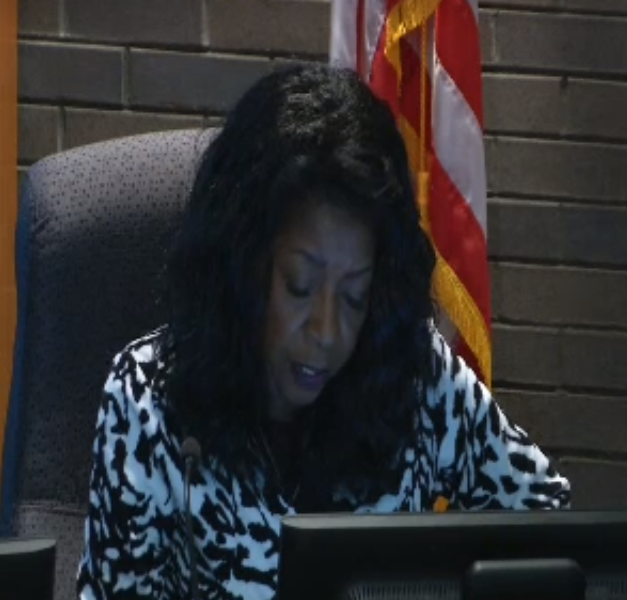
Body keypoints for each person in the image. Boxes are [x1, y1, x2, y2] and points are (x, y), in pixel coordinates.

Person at [76, 64, 570, 600]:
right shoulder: (147, 399)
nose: (328, 331)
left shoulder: (415, 375)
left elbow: (549, 525)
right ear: (242, 266)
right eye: (300, 286)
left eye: (355, 296)